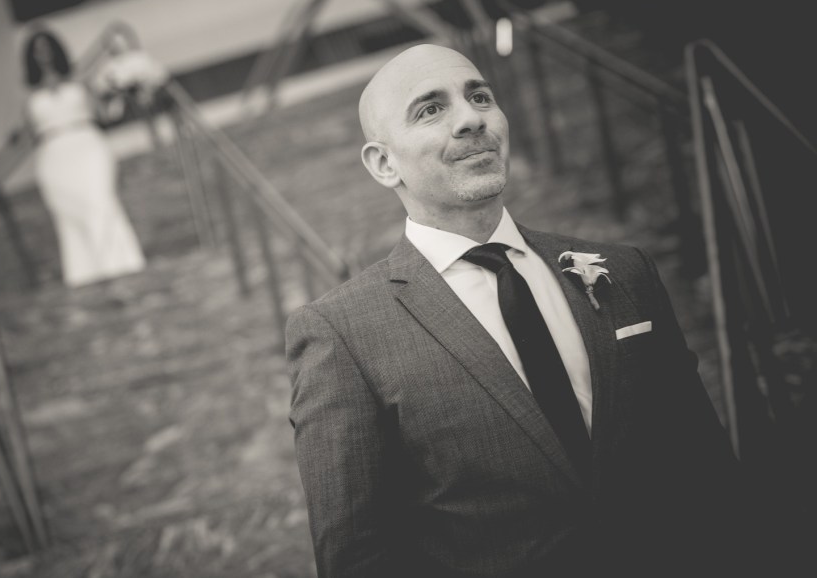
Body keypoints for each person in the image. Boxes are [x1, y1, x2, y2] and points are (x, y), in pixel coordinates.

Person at [285, 44, 758, 577]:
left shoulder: (625, 272)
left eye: (480, 97)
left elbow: (707, 467)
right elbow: (357, 557)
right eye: (430, 109)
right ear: (383, 163)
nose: (471, 119)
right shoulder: (342, 334)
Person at [22, 29, 147, 288]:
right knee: (70, 216)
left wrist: (118, 91)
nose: (42, 54)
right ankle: (86, 275)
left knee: (100, 202)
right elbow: (29, 133)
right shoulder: (29, 95)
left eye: (46, 47)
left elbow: (104, 113)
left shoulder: (79, 81)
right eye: (36, 49)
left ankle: (120, 267)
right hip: (53, 154)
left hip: (87, 144)